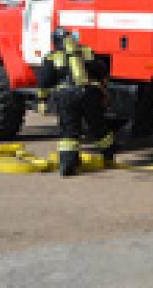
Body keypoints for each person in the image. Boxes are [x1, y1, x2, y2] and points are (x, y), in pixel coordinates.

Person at [36, 28, 115, 177]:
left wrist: (42, 100)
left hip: (66, 97)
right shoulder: (86, 52)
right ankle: (109, 156)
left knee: (69, 132)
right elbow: (101, 70)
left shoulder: (53, 57)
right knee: (98, 127)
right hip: (89, 94)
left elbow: (44, 81)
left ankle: (67, 165)